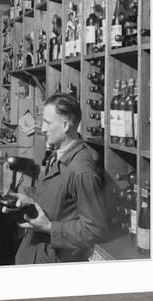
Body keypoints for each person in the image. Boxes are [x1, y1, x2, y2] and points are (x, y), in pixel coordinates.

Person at [13, 93, 109, 264]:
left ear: (65, 125)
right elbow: (59, 202)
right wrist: (28, 201)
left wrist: (49, 227)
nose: (42, 129)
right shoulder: (57, 155)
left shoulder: (81, 170)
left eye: (48, 123)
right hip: (35, 253)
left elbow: (95, 229)